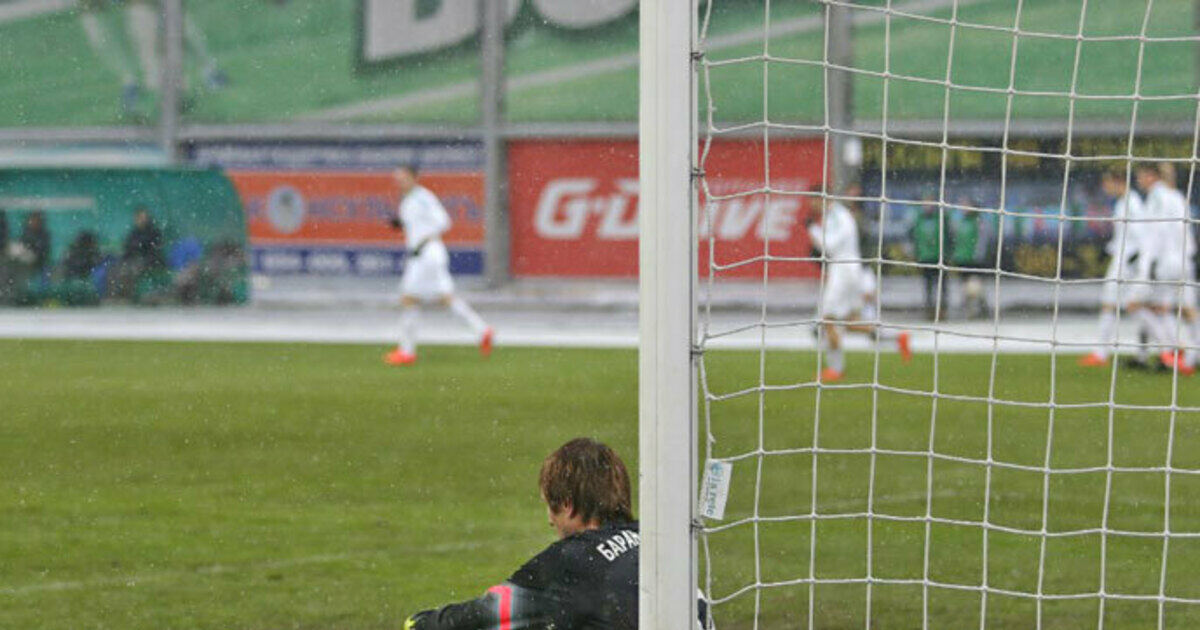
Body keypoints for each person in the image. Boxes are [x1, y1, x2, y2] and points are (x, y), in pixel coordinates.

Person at [402, 438, 645, 630]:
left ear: (567, 504)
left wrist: (424, 623)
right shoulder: (653, 538)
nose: (550, 521)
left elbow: (490, 614)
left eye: (549, 505)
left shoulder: (571, 561)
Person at [385, 165, 493, 366]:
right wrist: (401, 224)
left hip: (426, 254)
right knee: (445, 299)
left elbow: (443, 221)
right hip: (427, 254)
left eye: (403, 177)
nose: (399, 181)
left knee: (409, 299)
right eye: (397, 177)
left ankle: (407, 352)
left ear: (414, 178)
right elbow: (418, 223)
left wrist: (425, 237)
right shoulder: (409, 200)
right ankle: (482, 330)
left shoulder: (422, 197)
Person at [807, 183, 912, 383]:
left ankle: (835, 369)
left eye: (812, 200)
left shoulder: (836, 216)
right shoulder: (839, 215)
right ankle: (898, 337)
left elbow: (830, 246)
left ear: (821, 199)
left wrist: (813, 232)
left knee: (827, 319)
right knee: (849, 322)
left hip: (843, 271)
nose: (811, 205)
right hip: (850, 270)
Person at [1079, 167, 1160, 368]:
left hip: (1127, 262)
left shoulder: (1131, 203)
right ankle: (1164, 348)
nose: (1105, 187)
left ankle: (1169, 346)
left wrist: (1136, 260)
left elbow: (1141, 235)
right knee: (1125, 306)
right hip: (1123, 260)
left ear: (1119, 182)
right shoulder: (1124, 202)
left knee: (1122, 305)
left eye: (1107, 182)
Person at [1138, 163, 1199, 376]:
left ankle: (1173, 352)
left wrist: (1147, 264)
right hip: (1185, 259)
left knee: (1156, 307)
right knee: (1189, 309)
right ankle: (1192, 356)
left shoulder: (1157, 196)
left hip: (1167, 260)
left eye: (1141, 175)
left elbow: (1156, 232)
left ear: (1153, 176)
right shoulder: (1178, 196)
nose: (1139, 180)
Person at [950, 198, 988, 319]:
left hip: (974, 259)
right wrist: (956, 253)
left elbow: (982, 239)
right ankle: (969, 309)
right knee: (965, 286)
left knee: (976, 286)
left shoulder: (979, 221)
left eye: (966, 205)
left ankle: (981, 308)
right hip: (962, 258)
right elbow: (956, 239)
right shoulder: (960, 222)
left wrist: (978, 254)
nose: (964, 208)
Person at [910, 196, 947, 321]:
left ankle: (942, 309)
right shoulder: (919, 220)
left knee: (941, 286)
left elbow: (948, 237)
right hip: (925, 258)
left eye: (930, 203)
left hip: (939, 258)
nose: (928, 206)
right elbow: (914, 238)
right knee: (928, 286)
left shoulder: (941, 219)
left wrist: (946, 254)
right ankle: (930, 310)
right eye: (925, 204)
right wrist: (916, 254)